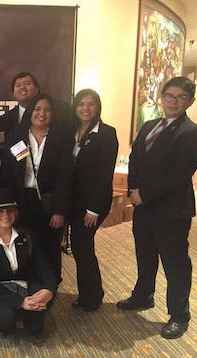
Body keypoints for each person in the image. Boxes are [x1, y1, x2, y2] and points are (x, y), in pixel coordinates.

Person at [117, 77, 197, 339]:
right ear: (161, 97)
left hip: (172, 211)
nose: (173, 101)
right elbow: (134, 159)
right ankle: (143, 295)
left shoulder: (193, 132)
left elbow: (179, 175)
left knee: (175, 263)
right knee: (145, 255)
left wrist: (144, 194)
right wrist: (134, 191)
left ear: (189, 101)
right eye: (169, 95)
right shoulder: (149, 126)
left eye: (180, 97)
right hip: (143, 207)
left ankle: (180, 314)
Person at [0, 93, 73, 285]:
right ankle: (27, 284)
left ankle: (51, 285)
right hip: (21, 200)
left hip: (49, 201)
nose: (42, 113)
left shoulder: (61, 138)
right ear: (30, 111)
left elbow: (65, 177)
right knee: (23, 244)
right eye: (37, 109)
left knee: (49, 245)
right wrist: (8, 205)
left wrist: (59, 211)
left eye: (47, 110)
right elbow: (7, 172)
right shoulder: (17, 135)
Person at [0, 188, 56, 346]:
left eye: (10, 210)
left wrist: (49, 289)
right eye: (0, 211)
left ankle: (30, 323)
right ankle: (4, 314)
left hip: (25, 283)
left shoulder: (27, 235)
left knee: (41, 302)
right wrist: (20, 302)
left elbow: (43, 267)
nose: (6, 215)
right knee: (5, 320)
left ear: (16, 213)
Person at [69, 89, 118, 312]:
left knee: (83, 246)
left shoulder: (107, 133)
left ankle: (92, 296)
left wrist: (94, 209)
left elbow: (105, 174)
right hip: (72, 200)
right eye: (81, 104)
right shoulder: (71, 130)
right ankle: (89, 292)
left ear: (98, 107)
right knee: (80, 247)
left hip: (92, 203)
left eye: (90, 104)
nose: (85, 108)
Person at [0, 72, 40, 138]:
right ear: (13, 94)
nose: (22, 87)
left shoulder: (50, 115)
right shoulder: (4, 120)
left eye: (27, 84)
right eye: (18, 85)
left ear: (36, 90)